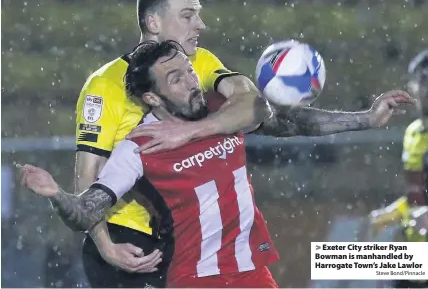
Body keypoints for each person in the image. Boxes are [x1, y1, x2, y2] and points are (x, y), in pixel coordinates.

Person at [19, 40, 414, 288]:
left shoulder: (222, 111)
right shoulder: (136, 148)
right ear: (153, 99)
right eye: (175, 79)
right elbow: (86, 210)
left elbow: (287, 120)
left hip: (251, 272)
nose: (192, 81)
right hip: (194, 278)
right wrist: (57, 195)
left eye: (189, 71)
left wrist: (365, 118)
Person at [74, 0, 272, 287]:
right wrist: (106, 247)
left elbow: (254, 106)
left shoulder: (200, 62)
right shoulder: (103, 84)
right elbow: (87, 175)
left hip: (179, 239)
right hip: (126, 239)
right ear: (153, 22)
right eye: (187, 15)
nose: (200, 25)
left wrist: (190, 132)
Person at [370, 50, 428, 288]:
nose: (425, 89)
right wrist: (394, 211)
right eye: (422, 81)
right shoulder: (414, 133)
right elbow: (418, 196)